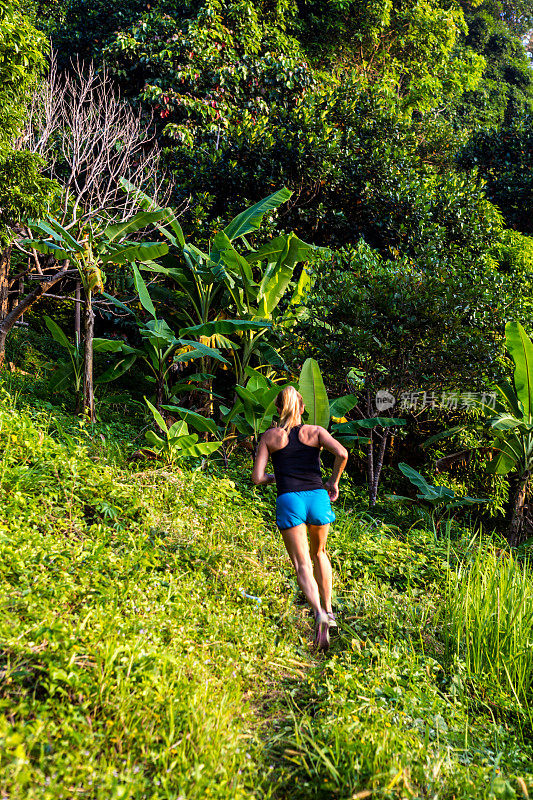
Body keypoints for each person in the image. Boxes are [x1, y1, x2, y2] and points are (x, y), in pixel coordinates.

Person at [252, 386, 348, 651]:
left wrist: (276, 478)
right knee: (320, 554)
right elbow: (342, 454)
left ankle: (317, 612)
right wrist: (333, 482)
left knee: (301, 562)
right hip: (317, 497)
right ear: (302, 408)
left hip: (289, 498)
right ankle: (329, 612)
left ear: (278, 408)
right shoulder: (315, 432)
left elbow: (257, 478)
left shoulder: (270, 437)